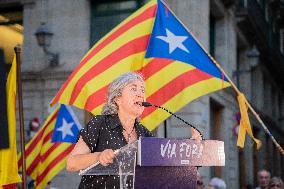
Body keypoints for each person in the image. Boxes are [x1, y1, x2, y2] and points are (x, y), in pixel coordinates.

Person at [66, 72, 153, 189]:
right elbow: (71, 163)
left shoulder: (146, 134)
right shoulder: (99, 124)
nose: (140, 94)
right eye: (133, 89)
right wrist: (99, 157)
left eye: (142, 90)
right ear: (117, 99)